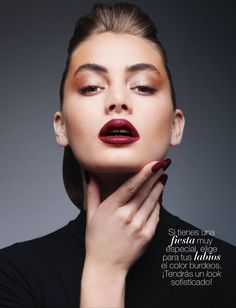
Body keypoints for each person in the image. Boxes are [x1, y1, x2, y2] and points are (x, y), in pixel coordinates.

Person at [0, 1, 235, 308]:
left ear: (176, 126)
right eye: (92, 86)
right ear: (62, 128)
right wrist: (104, 271)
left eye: (142, 86)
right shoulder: (13, 275)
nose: (118, 100)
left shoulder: (225, 271)